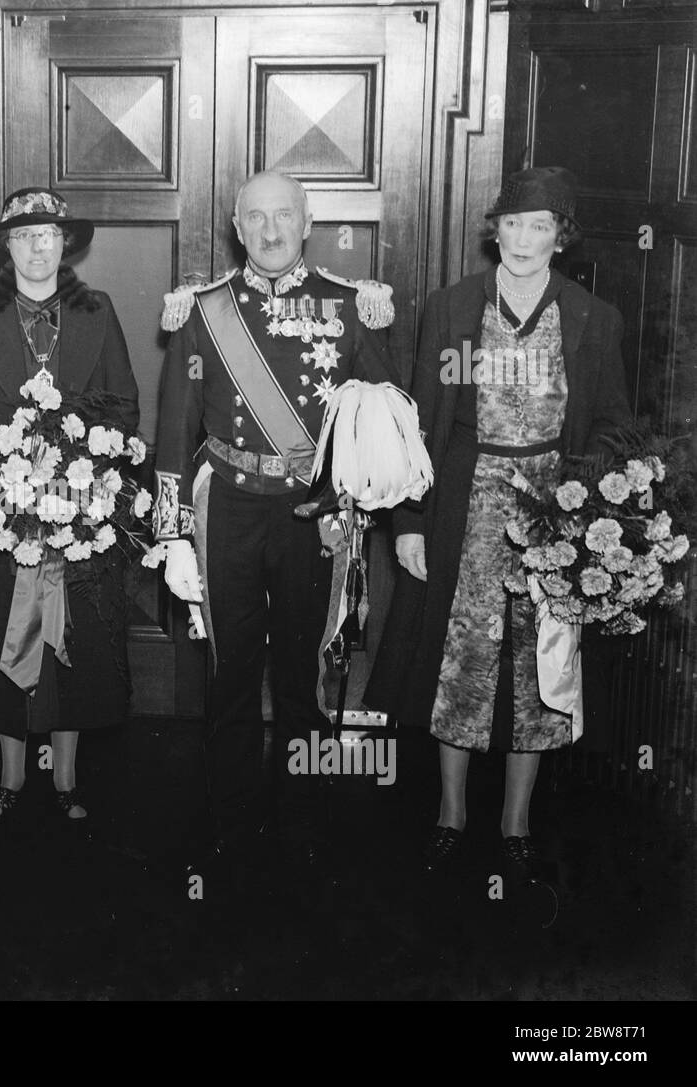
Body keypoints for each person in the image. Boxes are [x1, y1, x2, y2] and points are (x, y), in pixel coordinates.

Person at [365, 167, 632, 878]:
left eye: (540, 224)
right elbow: (421, 422)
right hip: (465, 507)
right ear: (496, 231)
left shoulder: (591, 321)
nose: (522, 238)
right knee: (462, 663)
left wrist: (584, 500)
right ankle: (451, 812)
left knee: (537, 667)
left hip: (554, 519)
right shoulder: (453, 311)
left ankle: (516, 822)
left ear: (560, 237)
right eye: (511, 223)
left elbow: (613, 425)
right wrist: (411, 520)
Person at [155, 170, 398, 862]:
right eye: (255, 218)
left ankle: (303, 815)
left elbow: (380, 421)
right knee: (228, 673)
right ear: (237, 226)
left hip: (311, 513)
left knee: (307, 672)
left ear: (307, 222)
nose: (269, 231)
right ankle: (230, 817)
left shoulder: (352, 306)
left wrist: (356, 504)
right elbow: (175, 424)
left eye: (283, 216)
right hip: (228, 505)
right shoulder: (203, 310)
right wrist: (173, 532)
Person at [0, 187, 139, 827]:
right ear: (7, 248)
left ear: (66, 243)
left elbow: (123, 408)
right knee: (8, 640)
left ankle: (68, 781)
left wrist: (93, 490)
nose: (40, 246)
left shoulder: (97, 311)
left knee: (70, 653)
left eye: (50, 234)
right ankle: (12, 778)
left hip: (80, 513)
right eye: (25, 236)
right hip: (2, 518)